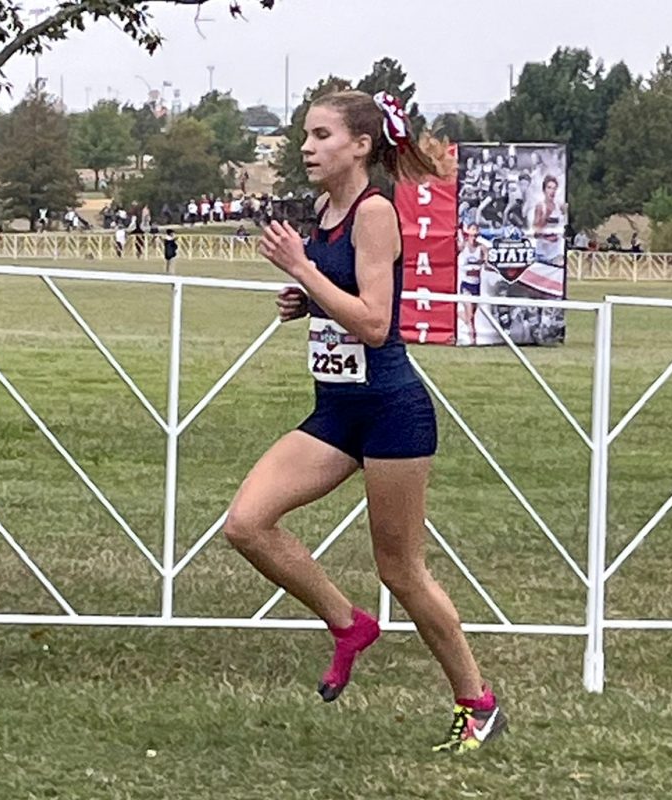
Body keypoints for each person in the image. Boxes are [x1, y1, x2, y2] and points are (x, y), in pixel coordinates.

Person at [227, 89, 506, 754]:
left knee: (401, 570)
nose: (306, 147)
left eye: (321, 135)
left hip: (390, 414)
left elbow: (378, 324)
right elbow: (343, 298)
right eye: (304, 136)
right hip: (335, 413)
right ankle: (347, 624)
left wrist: (303, 269)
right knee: (246, 524)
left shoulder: (376, 213)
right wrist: (306, 297)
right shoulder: (325, 210)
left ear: (360, 145)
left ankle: (478, 703)